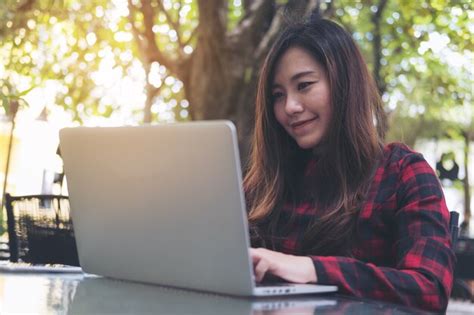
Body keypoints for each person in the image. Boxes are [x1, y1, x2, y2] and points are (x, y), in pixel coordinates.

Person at [243, 15, 454, 312]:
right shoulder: (263, 185)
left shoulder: (404, 172)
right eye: (278, 96)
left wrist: (312, 270)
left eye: (304, 85)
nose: (289, 107)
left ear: (345, 84)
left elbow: (429, 290)